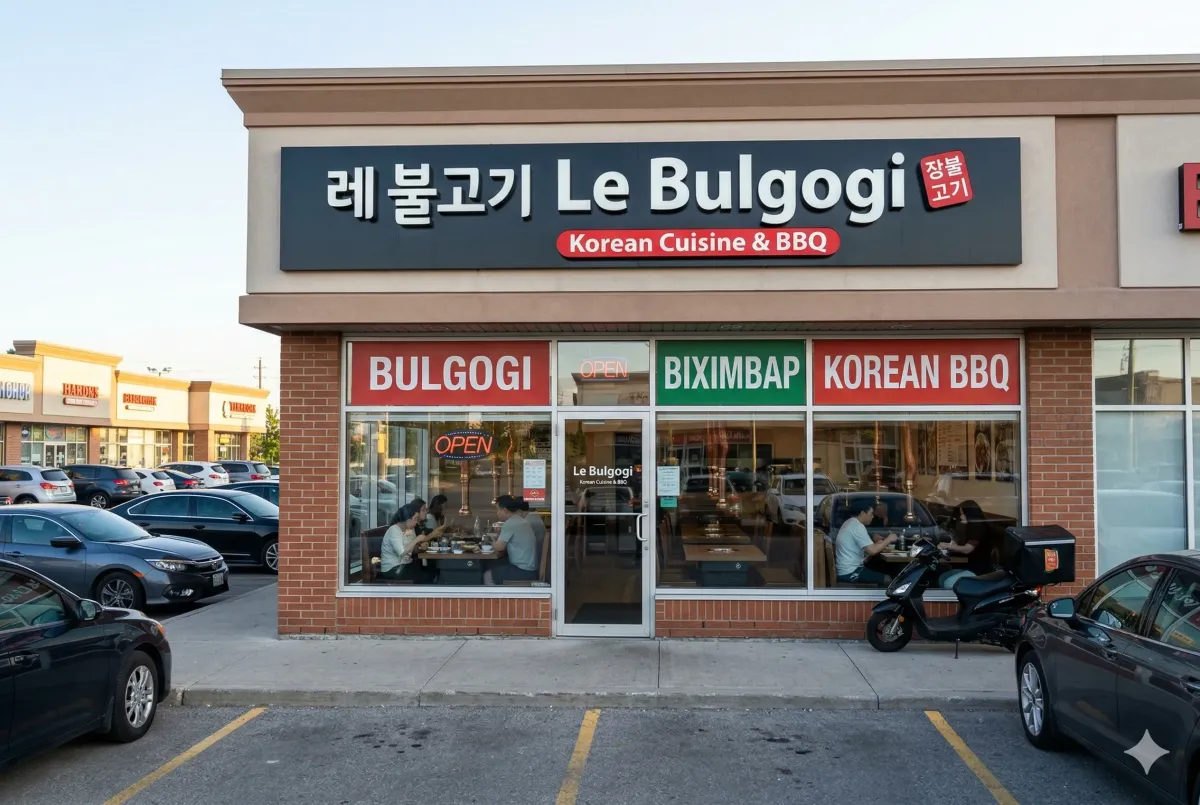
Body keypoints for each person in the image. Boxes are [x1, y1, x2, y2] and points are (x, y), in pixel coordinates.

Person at [835, 500, 897, 585]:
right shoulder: (857, 526)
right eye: (871, 514)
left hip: (847, 570)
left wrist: (877, 544)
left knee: (880, 568)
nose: (873, 517)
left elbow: (869, 549)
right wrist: (889, 539)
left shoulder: (849, 522)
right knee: (888, 578)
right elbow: (872, 551)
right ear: (862, 513)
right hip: (850, 573)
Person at [484, 495, 539, 584]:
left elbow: (499, 547)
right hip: (531, 569)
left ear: (505, 510)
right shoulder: (522, 520)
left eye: (498, 510)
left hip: (522, 571)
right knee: (493, 565)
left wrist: (487, 542)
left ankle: (497, 593)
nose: (497, 513)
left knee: (488, 575)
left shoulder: (510, 523)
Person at [379, 502, 438, 583]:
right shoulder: (394, 530)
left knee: (431, 571)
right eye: (415, 519)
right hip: (393, 568)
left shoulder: (408, 529)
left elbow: (410, 545)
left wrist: (420, 546)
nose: (416, 522)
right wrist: (417, 539)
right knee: (426, 578)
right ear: (407, 519)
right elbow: (402, 552)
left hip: (406, 564)